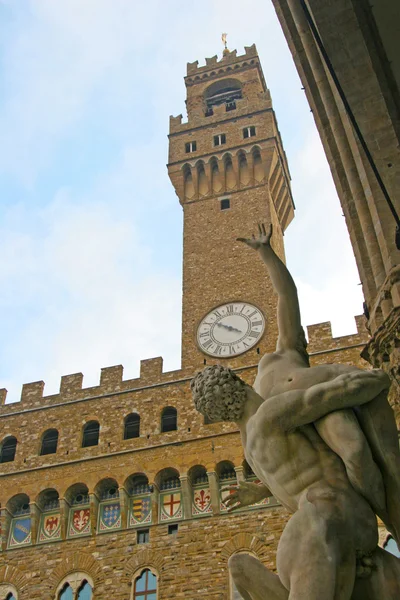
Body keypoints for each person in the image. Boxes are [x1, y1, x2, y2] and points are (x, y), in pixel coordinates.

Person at [231, 224, 400, 542]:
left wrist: (266, 253)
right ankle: (389, 523)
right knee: (355, 453)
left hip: (334, 401)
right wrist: (261, 492)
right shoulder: (257, 418)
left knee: (359, 451)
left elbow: (286, 296)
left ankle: (390, 521)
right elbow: (289, 463)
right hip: (315, 417)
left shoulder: (283, 354)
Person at [191, 364, 399, 599]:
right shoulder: (269, 414)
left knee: (238, 564)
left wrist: (262, 492)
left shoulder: (249, 448)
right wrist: (381, 378)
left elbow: (294, 476)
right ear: (237, 381)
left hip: (297, 535)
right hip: (339, 512)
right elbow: (337, 391)